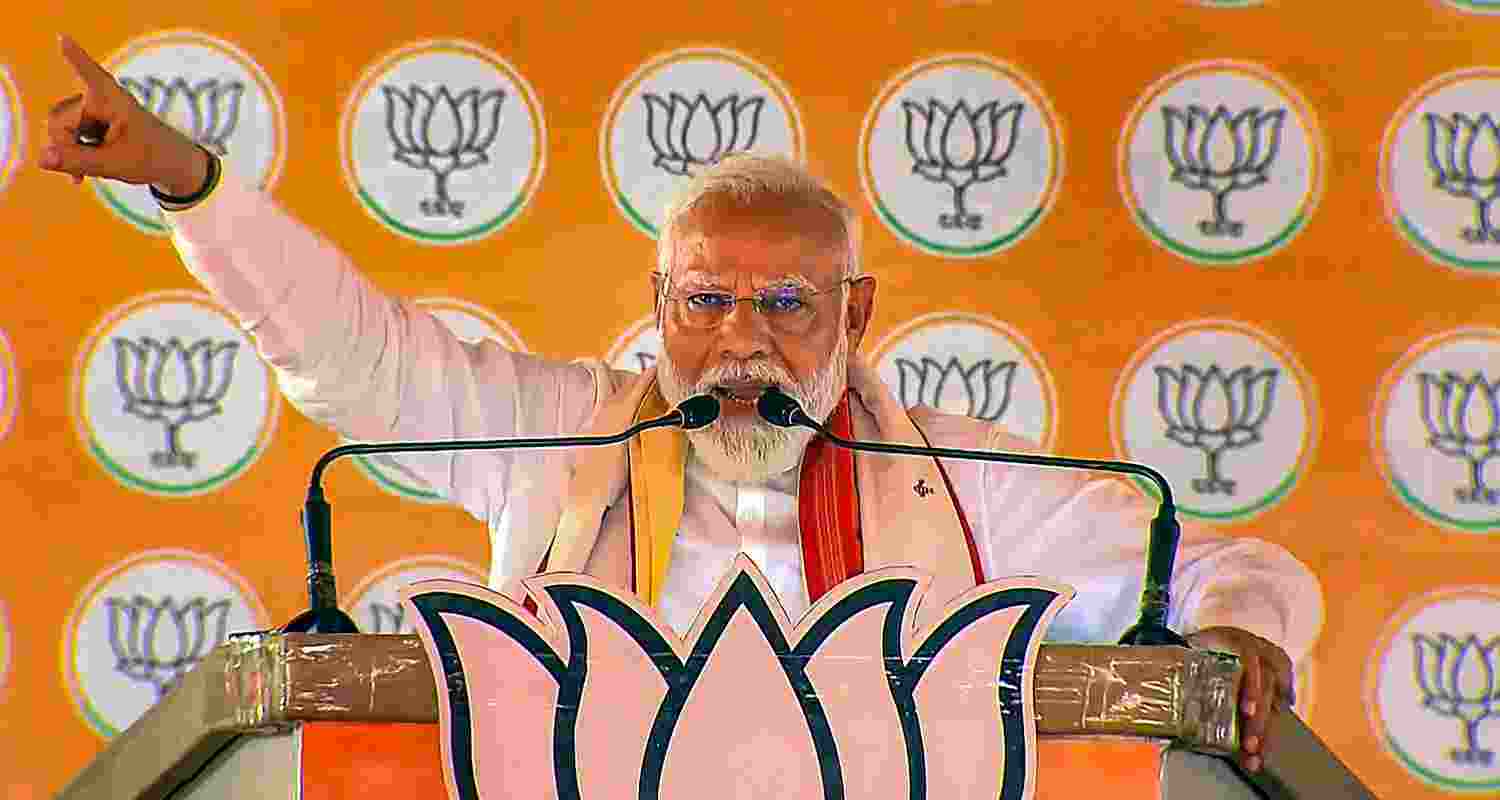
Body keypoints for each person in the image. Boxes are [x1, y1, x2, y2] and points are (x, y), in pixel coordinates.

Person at [41, 34, 1321, 772]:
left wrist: (1237, 631)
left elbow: (1224, 568)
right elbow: (355, 357)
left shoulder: (961, 473)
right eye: (706, 301)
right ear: (658, 303)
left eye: (786, 304)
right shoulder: (557, 437)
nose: (740, 340)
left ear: (858, 315)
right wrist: (189, 181)